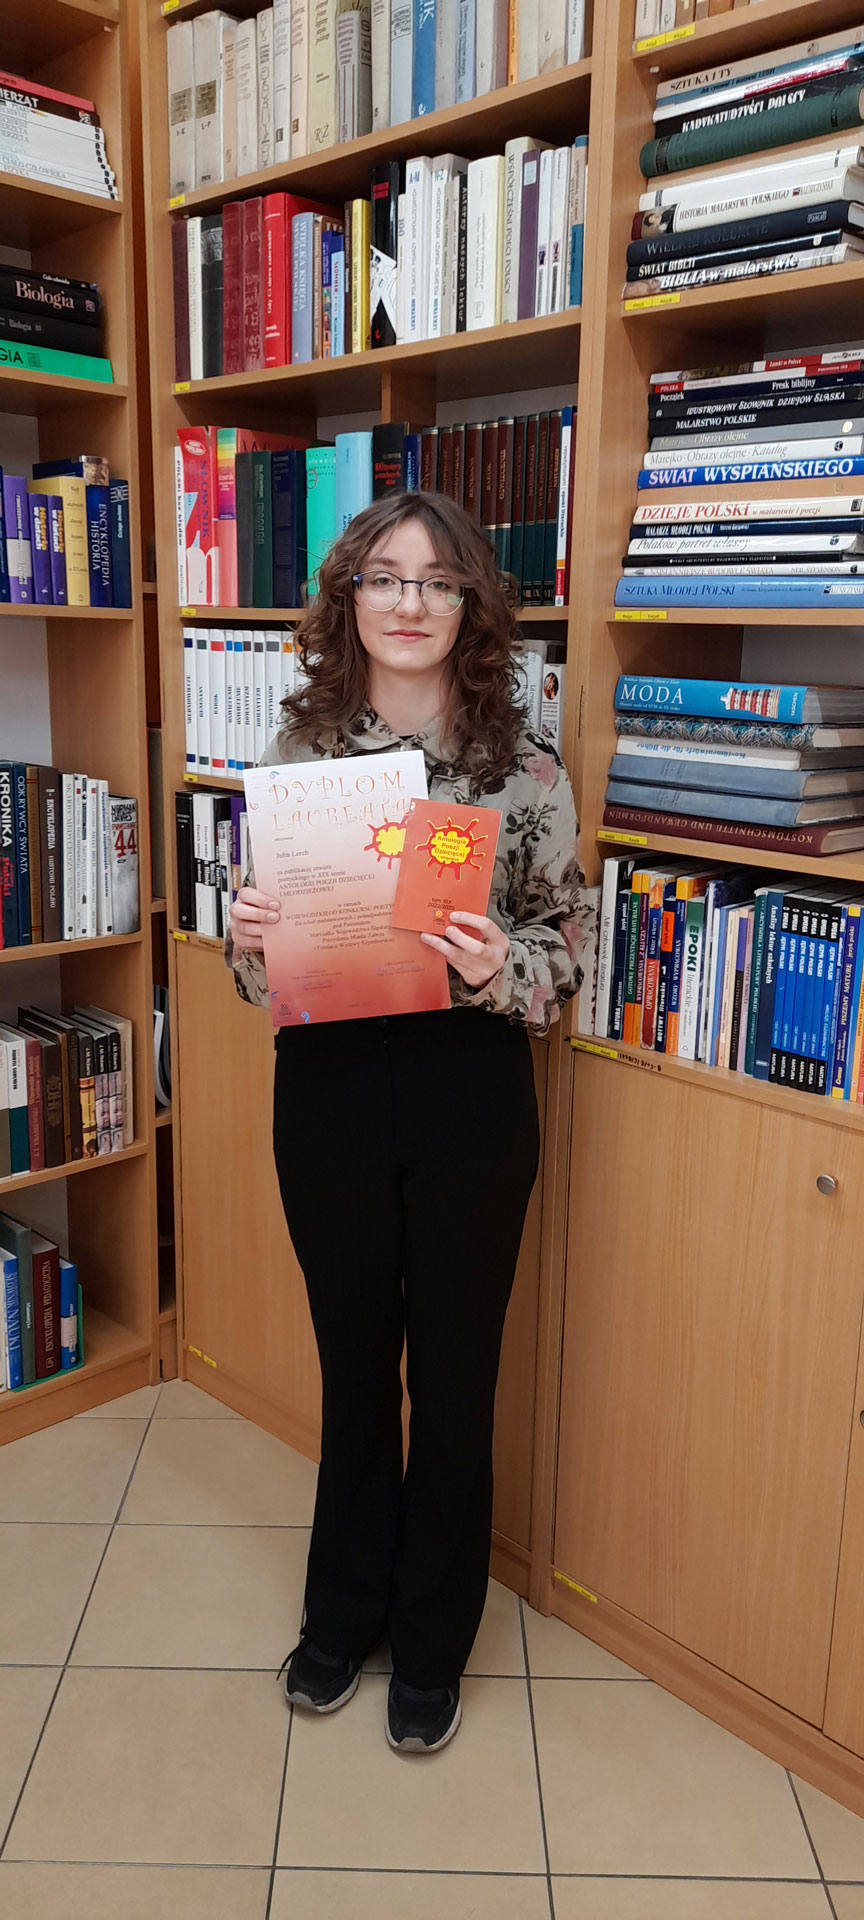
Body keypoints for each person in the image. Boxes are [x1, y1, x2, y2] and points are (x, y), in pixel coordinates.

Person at [225, 489, 587, 1755]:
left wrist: (500, 965)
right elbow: (257, 967)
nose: (410, 602)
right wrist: (245, 935)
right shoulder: (298, 749)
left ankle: (432, 1639)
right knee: (353, 1365)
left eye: (438, 581)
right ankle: (342, 1615)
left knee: (456, 1371)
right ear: (351, 596)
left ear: (470, 604)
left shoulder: (524, 766)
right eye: (386, 576)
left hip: (468, 1090)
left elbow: (567, 952)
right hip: (327, 1087)